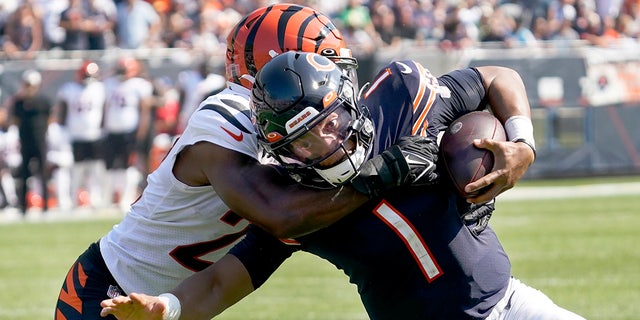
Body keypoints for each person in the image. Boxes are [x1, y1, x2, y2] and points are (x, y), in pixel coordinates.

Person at [99, 52, 585, 320]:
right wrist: (167, 309)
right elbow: (224, 281)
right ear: (282, 149)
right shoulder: (301, 205)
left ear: (349, 99)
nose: (325, 141)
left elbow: (496, 75)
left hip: (510, 302)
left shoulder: (403, 97)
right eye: (304, 139)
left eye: (330, 122)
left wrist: (522, 141)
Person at [54, 4, 443, 320]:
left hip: (180, 301)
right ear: (281, 64)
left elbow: (270, 245)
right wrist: (387, 172)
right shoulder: (227, 115)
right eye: (322, 63)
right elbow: (278, 215)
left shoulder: (301, 127)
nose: (333, 79)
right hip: (108, 292)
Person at [54, 60, 107, 208]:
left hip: (95, 134)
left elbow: (104, 111)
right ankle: (73, 198)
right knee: (76, 169)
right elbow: (62, 111)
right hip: (75, 135)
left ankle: (95, 198)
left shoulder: (100, 88)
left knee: (96, 168)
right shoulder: (69, 89)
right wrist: (62, 130)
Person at [5, 69, 52, 215]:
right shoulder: (18, 103)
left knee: (42, 174)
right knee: (24, 174)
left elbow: (49, 120)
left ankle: (45, 206)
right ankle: (23, 207)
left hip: (40, 141)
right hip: (25, 142)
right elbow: (15, 121)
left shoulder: (43, 101)